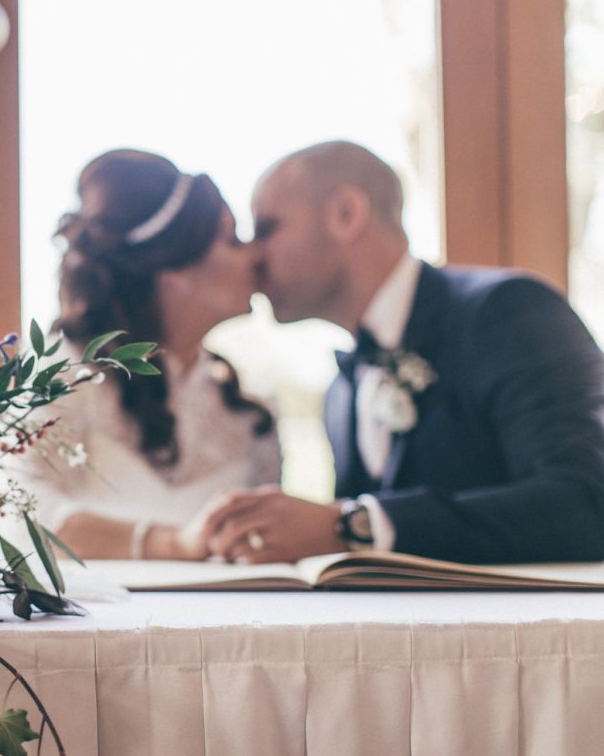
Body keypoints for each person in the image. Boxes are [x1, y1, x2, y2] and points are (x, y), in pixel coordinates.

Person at [200, 140, 604, 564]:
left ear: (346, 214)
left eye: (267, 228)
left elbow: (588, 502)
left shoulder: (509, 310)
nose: (253, 255)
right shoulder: (341, 391)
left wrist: (354, 524)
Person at [17, 148, 280, 560]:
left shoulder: (251, 414)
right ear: (175, 270)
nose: (255, 255)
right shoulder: (66, 378)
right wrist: (172, 544)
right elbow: (15, 517)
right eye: (232, 239)